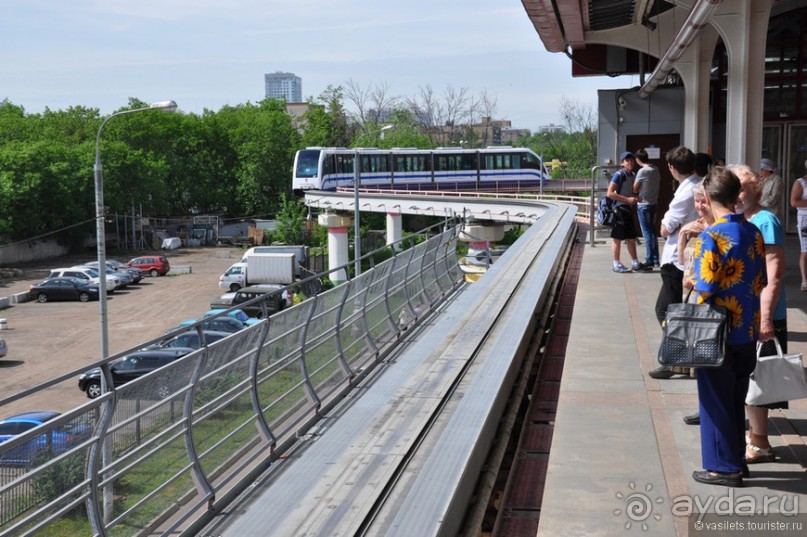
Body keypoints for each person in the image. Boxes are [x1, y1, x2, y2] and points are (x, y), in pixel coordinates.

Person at [691, 166, 765, 488]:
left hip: (716, 332)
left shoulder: (711, 236)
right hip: (746, 329)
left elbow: (706, 286)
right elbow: (760, 281)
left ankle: (724, 468)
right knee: (735, 398)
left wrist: (691, 276)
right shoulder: (753, 232)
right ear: (737, 195)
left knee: (715, 400)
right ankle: (737, 460)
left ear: (707, 197)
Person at [732, 165, 787, 464]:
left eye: (741, 188)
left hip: (764, 312)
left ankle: (762, 441)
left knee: (761, 377)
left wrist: (766, 318)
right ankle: (754, 436)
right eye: (733, 189)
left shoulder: (767, 221)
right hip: (745, 311)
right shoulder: (742, 219)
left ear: (755, 188)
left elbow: (775, 274)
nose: (737, 195)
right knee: (748, 376)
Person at [649, 146, 701, 379]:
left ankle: (676, 358)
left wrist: (669, 225)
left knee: (667, 310)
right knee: (673, 309)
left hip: (676, 258)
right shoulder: (700, 183)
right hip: (689, 255)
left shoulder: (685, 192)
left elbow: (664, 229)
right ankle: (679, 358)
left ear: (672, 168)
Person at [607, 151, 643, 273]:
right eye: (627, 160)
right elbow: (610, 193)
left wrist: (636, 197)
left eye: (631, 160)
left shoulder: (632, 175)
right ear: (622, 163)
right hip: (619, 210)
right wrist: (627, 199)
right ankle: (616, 264)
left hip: (627, 210)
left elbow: (632, 192)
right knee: (617, 238)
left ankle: (635, 262)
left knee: (631, 237)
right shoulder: (618, 175)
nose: (630, 162)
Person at [633, 148, 660, 269]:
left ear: (638, 160)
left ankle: (649, 259)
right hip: (654, 204)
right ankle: (656, 259)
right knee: (653, 232)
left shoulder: (642, 171)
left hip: (643, 205)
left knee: (647, 233)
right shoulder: (656, 169)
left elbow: (635, 188)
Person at [790, 161, 807, 291]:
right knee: (805, 249)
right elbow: (794, 202)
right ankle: (804, 280)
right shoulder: (800, 182)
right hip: (804, 218)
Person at [759, 158, 785, 222]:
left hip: (772, 212)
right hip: (760, 212)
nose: (760, 171)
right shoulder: (760, 180)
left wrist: (760, 206)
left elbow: (775, 196)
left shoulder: (777, 180)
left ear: (768, 169)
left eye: (762, 169)